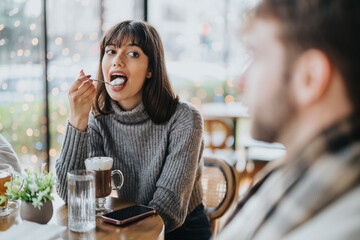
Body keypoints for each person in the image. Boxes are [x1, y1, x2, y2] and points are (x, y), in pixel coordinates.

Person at [55, 20, 211, 239]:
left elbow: (169, 209)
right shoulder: (98, 118)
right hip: (126, 223)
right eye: (111, 51)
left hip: (180, 230)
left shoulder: (185, 118)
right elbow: (70, 195)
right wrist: (77, 119)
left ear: (150, 70)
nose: (117, 60)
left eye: (133, 53)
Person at [218, 0, 360, 239]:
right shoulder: (301, 172)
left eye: (256, 55)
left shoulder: (339, 225)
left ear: (309, 78)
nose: (241, 80)